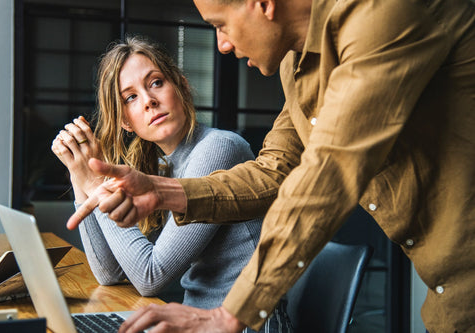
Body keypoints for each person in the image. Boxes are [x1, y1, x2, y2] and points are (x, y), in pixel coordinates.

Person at [67, 0, 475, 332]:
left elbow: (329, 172)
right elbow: (274, 171)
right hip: (449, 296)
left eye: (220, 24)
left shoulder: (382, 14)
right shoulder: (296, 66)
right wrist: (163, 191)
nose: (222, 44)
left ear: (261, 4)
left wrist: (230, 314)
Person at [51, 36, 291, 332]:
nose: (149, 101)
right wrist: (79, 174)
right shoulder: (164, 167)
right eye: (131, 98)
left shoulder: (219, 148)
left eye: (155, 83)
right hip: (195, 323)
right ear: (126, 121)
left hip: (247, 326)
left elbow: (150, 276)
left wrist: (97, 183)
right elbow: (109, 273)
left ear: (182, 86)